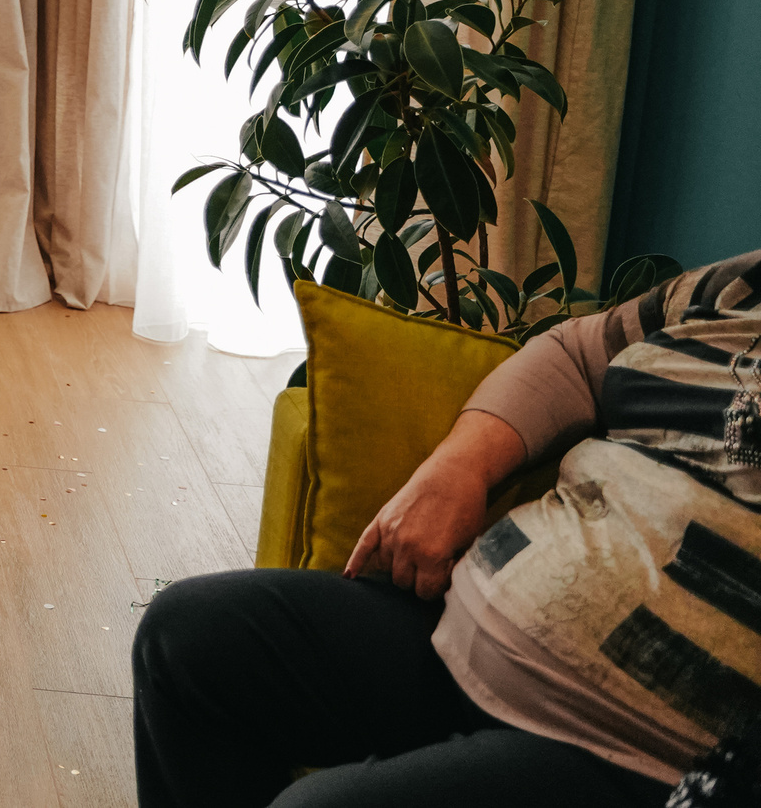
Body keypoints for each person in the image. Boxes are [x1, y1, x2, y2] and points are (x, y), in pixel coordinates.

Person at [133, 253, 761, 806]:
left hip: (637, 753)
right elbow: (575, 354)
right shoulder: (742, 286)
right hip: (460, 633)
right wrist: (459, 465)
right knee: (186, 639)